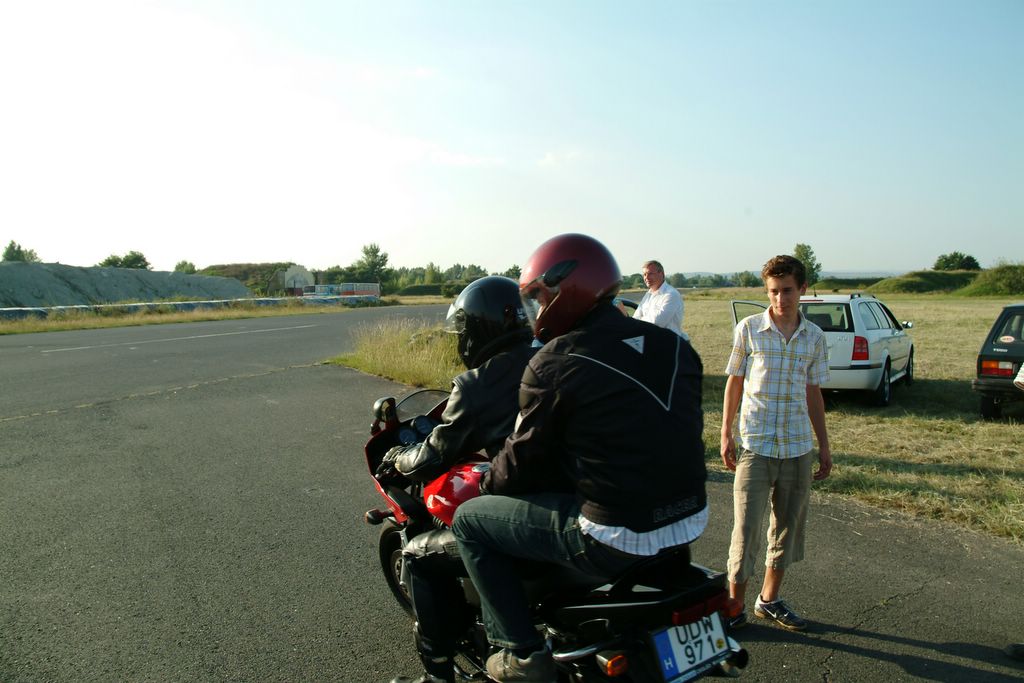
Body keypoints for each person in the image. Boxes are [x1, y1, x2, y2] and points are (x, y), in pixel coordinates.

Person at [451, 234, 709, 683]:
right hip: (689, 519)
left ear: (562, 288)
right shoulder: (675, 347)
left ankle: (521, 653)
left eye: (537, 297)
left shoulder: (555, 361)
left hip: (614, 534)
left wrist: (486, 484)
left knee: (470, 521)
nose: (535, 310)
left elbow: (520, 462)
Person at [382, 276, 536, 683]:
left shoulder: (478, 385)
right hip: (576, 500)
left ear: (478, 330)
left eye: (463, 331)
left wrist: (397, 459)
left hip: (529, 515)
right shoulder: (551, 355)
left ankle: (438, 674)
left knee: (418, 553)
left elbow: (434, 453)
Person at [719, 254, 832, 632]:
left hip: (797, 447)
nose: (780, 299)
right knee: (746, 530)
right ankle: (733, 607)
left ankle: (768, 600)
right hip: (755, 444)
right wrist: (726, 432)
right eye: (773, 291)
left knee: (787, 528)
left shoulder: (814, 337)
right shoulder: (749, 329)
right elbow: (735, 381)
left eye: (787, 290)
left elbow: (814, 392)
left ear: (802, 289)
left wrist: (824, 445)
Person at [633, 259, 687, 339]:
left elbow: (657, 322)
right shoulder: (648, 295)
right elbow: (635, 317)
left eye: (650, 274)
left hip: (668, 342)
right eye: (644, 274)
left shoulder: (671, 294)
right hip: (649, 341)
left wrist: (639, 321)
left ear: (661, 274)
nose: (646, 277)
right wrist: (641, 320)